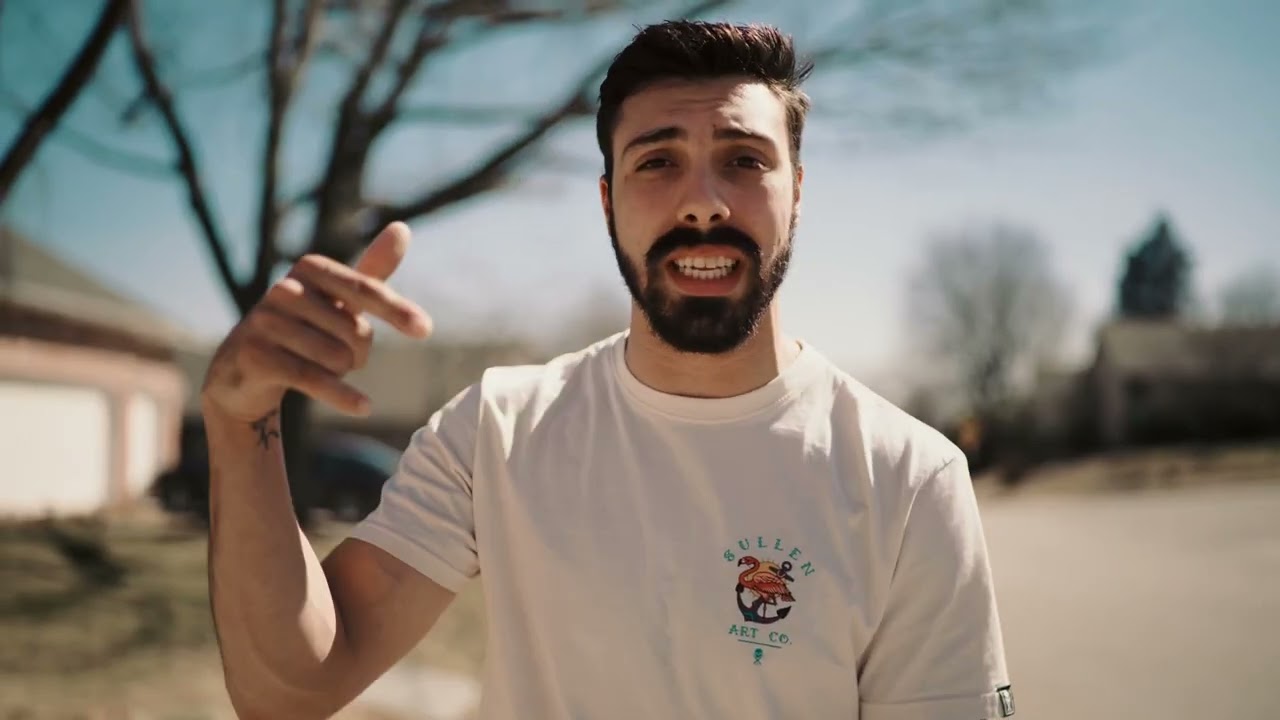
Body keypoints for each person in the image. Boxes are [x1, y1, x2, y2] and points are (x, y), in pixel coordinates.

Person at [201, 20, 1014, 720]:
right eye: (657, 162)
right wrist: (240, 426)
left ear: (796, 192)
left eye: (743, 160)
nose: (703, 202)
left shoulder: (909, 477)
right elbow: (289, 691)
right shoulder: (498, 431)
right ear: (606, 201)